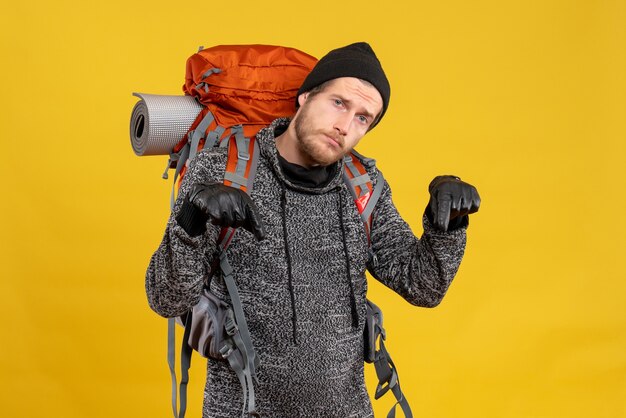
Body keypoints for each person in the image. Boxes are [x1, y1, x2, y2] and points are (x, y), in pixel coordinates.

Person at [146, 42, 481, 418]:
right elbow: (166, 299)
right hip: (239, 410)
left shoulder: (362, 185)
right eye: (339, 103)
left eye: (362, 118)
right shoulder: (222, 172)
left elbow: (422, 286)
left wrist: (447, 225)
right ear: (305, 97)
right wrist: (192, 218)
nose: (345, 126)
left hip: (348, 409)